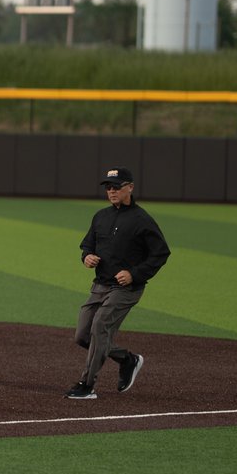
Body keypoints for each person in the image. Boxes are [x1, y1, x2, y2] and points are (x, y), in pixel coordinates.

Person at [66, 166, 170, 399]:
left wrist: (135, 274)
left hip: (126, 289)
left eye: (116, 186)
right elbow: (87, 245)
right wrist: (87, 257)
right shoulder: (101, 216)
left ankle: (87, 385)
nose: (111, 191)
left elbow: (161, 253)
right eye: (108, 187)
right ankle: (127, 359)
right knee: (82, 335)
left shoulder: (142, 220)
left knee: (100, 326)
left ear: (130, 188)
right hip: (100, 285)